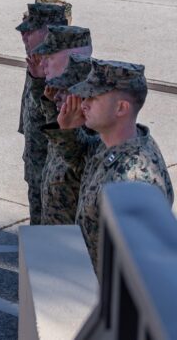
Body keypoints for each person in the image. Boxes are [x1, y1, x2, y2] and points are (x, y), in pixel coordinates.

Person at [49, 59, 173, 271]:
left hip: (105, 295)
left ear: (121, 108)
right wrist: (67, 131)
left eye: (93, 98)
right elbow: (82, 161)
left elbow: (140, 270)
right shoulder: (111, 142)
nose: (83, 103)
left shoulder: (133, 181)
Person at [15, 1, 69, 224]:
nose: (23, 36)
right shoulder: (37, 66)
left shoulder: (63, 72)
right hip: (36, 166)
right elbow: (28, 112)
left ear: (49, 32)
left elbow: (60, 124)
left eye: (30, 30)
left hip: (56, 178)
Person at [39, 54, 93, 224]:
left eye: (64, 91)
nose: (56, 96)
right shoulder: (68, 131)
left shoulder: (92, 141)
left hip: (70, 242)